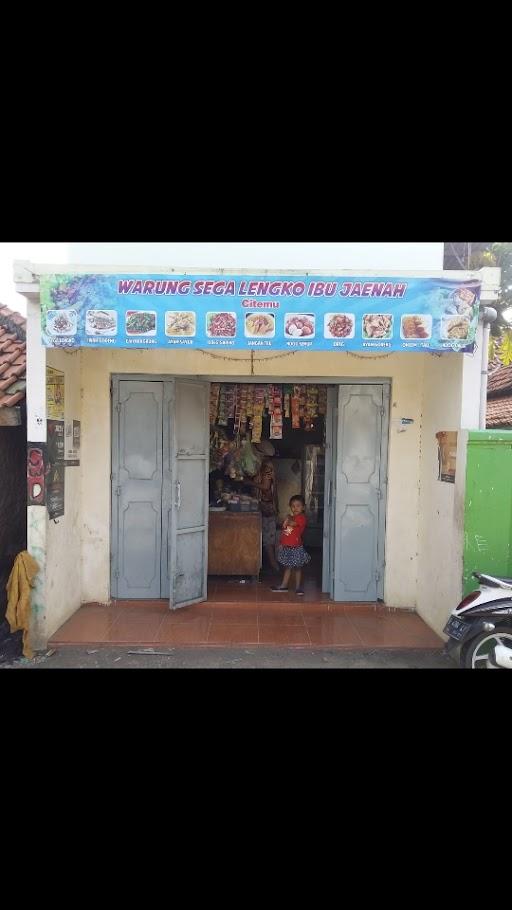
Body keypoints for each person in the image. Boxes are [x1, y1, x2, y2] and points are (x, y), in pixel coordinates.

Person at [271, 494, 311, 595]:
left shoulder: (301, 518)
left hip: (296, 548)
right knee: (287, 567)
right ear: (290, 507)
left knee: (297, 568)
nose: (295, 508)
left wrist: (287, 519)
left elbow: (293, 524)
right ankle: (284, 586)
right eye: (293, 506)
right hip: (288, 547)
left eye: (298, 506)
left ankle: (298, 588)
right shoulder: (292, 518)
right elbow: (287, 532)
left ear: (303, 507)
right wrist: (281, 543)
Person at [251, 446, 279, 572]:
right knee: (268, 539)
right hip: (268, 508)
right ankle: (272, 565)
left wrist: (249, 482)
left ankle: (274, 567)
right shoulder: (267, 467)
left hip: (267, 509)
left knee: (268, 539)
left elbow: (266, 487)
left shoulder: (267, 468)